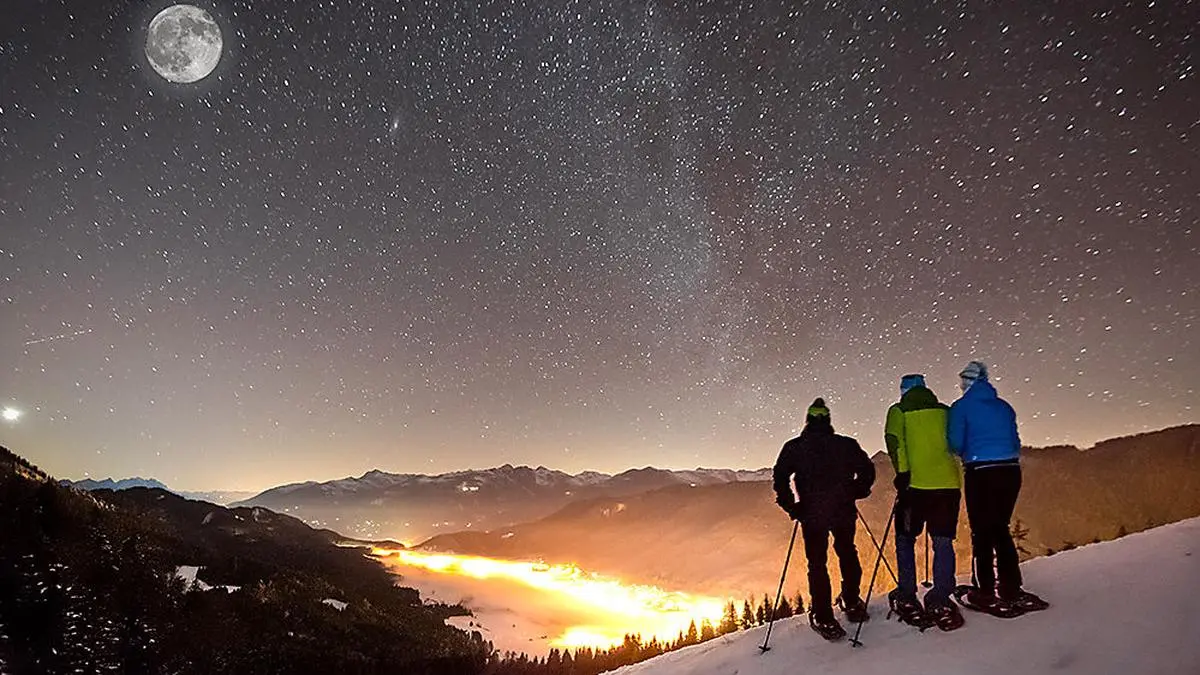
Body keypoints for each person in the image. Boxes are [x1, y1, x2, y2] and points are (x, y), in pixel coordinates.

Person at [773, 398, 876, 640]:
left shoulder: (795, 447)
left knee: (817, 564)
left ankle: (823, 615)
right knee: (847, 552)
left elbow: (780, 478)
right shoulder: (846, 445)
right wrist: (856, 491)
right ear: (828, 421)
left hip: (812, 513)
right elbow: (868, 471)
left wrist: (792, 507)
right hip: (843, 510)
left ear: (808, 421)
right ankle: (851, 601)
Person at [949, 361, 1047, 613]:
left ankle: (984, 591)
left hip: (981, 472)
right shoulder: (1004, 407)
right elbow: (1015, 441)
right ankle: (1011, 587)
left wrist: (967, 453)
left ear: (968, 381)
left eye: (963, 380)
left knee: (981, 532)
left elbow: (955, 442)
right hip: (1010, 471)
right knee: (1000, 529)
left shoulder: (961, 408)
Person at [884, 374, 965, 630]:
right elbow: (957, 443)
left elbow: (894, 442)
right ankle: (940, 598)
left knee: (905, 539)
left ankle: (907, 593)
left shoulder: (898, 411)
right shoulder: (945, 410)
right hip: (948, 486)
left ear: (904, 390)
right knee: (942, 541)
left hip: (916, 488)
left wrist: (903, 473)